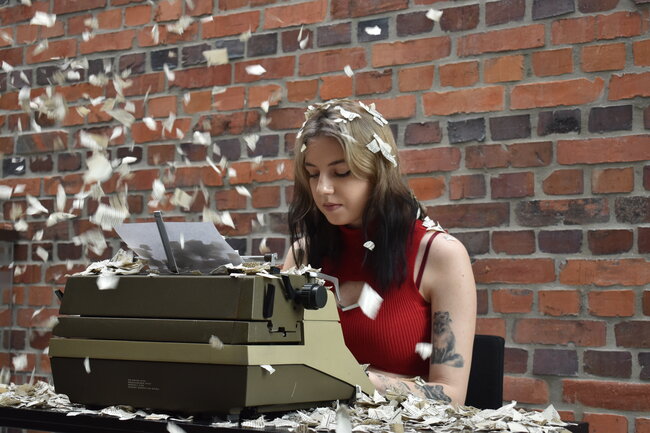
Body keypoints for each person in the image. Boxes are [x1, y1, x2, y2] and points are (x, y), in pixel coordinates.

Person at [283, 99, 476, 405]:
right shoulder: (303, 255)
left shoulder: (440, 255)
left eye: (341, 172)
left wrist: (354, 379)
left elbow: (451, 396)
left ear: (378, 172)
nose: (322, 189)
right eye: (313, 173)